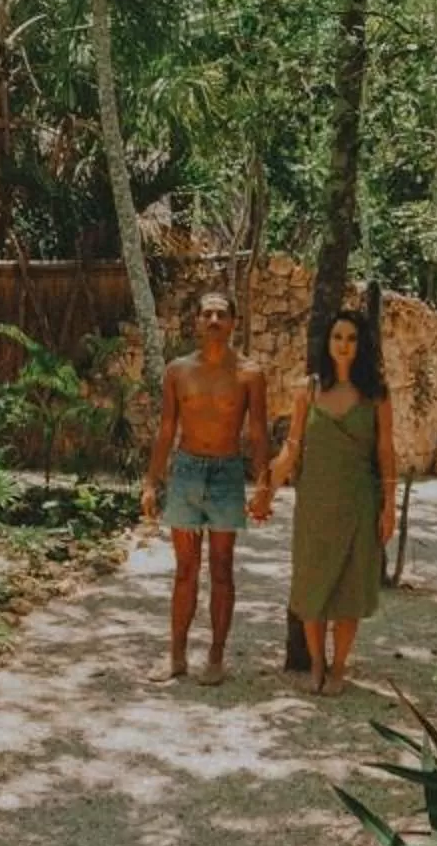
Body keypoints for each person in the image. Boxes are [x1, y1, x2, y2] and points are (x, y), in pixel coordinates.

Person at [141, 289, 274, 685]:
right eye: (207, 315)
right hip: (186, 470)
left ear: (233, 322)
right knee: (185, 568)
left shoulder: (250, 374)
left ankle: (215, 655)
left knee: (221, 568)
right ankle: (176, 655)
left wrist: (263, 484)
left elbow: (257, 433)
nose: (214, 321)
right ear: (196, 322)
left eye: (221, 315)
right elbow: (167, 430)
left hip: (227, 472)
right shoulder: (178, 371)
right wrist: (152, 480)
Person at [267, 308, 397, 695]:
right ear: (328, 342)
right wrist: (265, 490)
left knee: (349, 591)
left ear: (362, 346)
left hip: (359, 502)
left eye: (352, 339)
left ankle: (340, 668)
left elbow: (387, 450)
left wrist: (390, 506)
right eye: (337, 337)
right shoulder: (308, 389)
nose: (344, 345)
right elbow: (292, 448)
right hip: (315, 503)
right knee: (312, 587)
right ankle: (317, 667)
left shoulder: (376, 393)